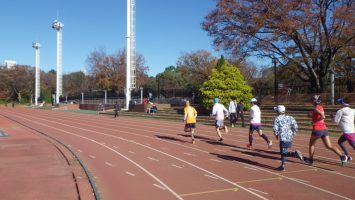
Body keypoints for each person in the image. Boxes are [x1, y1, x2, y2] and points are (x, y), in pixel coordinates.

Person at [306, 95, 348, 166]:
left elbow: (323, 116)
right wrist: (311, 116)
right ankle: (342, 156)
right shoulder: (320, 107)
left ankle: (311, 160)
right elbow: (319, 115)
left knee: (311, 145)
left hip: (317, 129)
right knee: (329, 146)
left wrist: (315, 121)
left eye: (311, 100)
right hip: (324, 129)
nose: (310, 102)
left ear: (313, 101)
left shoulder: (316, 108)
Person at [273, 105, 304, 171]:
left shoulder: (277, 118)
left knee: (283, 152)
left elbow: (275, 128)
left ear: (278, 112)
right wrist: (293, 133)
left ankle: (294, 154)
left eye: (276, 111)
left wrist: (276, 135)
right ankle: (282, 166)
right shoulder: (290, 117)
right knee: (284, 151)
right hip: (289, 137)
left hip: (283, 137)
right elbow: (295, 126)